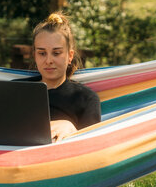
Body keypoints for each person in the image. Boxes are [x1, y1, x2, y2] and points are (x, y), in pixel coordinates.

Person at [25, 12, 101, 142]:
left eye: (56, 53)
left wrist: (71, 128)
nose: (49, 60)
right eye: (42, 53)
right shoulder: (18, 90)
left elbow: (92, 147)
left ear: (70, 56)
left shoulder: (85, 98)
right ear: (35, 55)